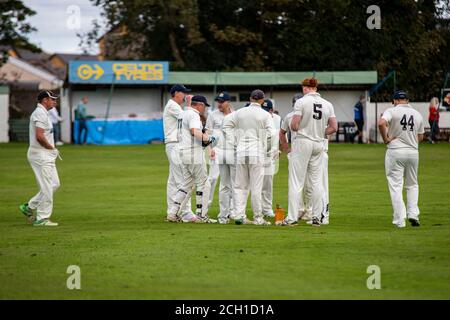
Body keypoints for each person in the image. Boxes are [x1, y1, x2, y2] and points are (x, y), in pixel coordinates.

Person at [223, 89, 276, 226]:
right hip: (257, 153)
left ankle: (239, 215)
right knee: (256, 187)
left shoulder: (240, 112)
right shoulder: (265, 115)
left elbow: (226, 125)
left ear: (251, 98)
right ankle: (258, 218)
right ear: (262, 100)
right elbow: (272, 133)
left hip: (241, 152)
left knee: (240, 186)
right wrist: (267, 147)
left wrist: (234, 141)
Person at [289, 78, 337, 227]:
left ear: (305, 88)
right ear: (316, 87)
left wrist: (302, 128)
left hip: (303, 141)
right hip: (319, 143)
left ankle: (292, 218)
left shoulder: (301, 102)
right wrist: (321, 132)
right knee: (316, 182)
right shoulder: (328, 104)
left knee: (296, 181)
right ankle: (316, 217)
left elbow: (294, 125)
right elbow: (334, 127)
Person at [167, 95, 217, 223]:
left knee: (187, 184)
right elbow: (194, 131)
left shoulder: (183, 113)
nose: (204, 109)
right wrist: (209, 139)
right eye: (204, 106)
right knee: (204, 183)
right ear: (199, 105)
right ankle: (201, 215)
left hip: (182, 152)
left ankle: (173, 213)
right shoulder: (194, 114)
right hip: (193, 152)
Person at [378, 90, 424, 228]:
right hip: (413, 152)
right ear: (407, 100)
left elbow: (381, 123)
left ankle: (399, 220)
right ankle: (413, 214)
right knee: (412, 184)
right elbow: (421, 137)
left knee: (396, 186)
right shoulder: (417, 114)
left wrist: (386, 138)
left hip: (395, 151)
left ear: (395, 101)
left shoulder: (391, 111)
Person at [19, 90, 61, 227]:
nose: (55, 102)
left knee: (54, 184)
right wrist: (51, 148)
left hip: (44, 154)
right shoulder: (39, 113)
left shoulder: (44, 113)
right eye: (53, 99)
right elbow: (39, 136)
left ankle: (30, 206)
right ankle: (42, 218)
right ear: (44, 100)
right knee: (47, 186)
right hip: (41, 154)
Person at [163, 84, 196, 222]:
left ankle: (172, 210)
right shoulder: (172, 106)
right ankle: (185, 212)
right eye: (183, 93)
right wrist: (190, 105)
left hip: (173, 145)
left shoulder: (174, 106)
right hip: (175, 145)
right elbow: (186, 118)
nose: (185, 96)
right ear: (176, 93)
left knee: (173, 181)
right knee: (183, 179)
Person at [206, 92, 235, 224]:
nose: (219, 104)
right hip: (216, 151)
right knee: (212, 179)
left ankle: (231, 211)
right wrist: (210, 148)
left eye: (222, 102)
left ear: (228, 102)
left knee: (233, 183)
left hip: (231, 151)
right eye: (218, 101)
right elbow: (207, 132)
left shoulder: (235, 115)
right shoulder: (213, 115)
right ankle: (205, 207)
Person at [261, 99, 282, 218]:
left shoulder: (277, 119)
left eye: (266, 111)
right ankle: (257, 209)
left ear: (271, 110)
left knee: (268, 184)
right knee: (254, 183)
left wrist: (277, 149)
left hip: (270, 154)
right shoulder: (258, 117)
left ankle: (267, 209)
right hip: (258, 152)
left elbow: (278, 135)